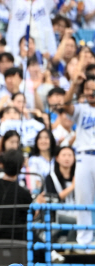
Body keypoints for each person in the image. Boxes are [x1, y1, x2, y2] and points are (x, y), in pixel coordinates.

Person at [63, 57, 95, 253]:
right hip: (83, 155)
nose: (92, 92)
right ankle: (85, 241)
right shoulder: (81, 109)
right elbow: (65, 104)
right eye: (89, 88)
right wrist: (75, 82)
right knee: (83, 198)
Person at [0, 149, 33, 240]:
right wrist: (39, 203)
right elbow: (31, 215)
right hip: (18, 238)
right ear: (20, 168)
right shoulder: (24, 193)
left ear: (2, 165)